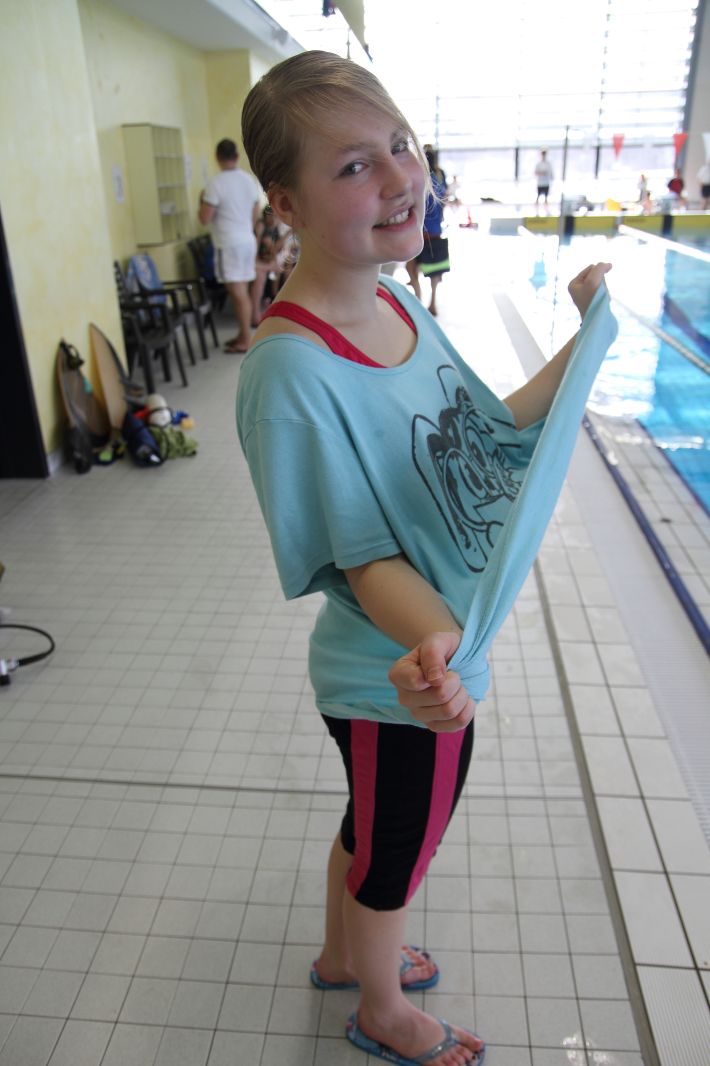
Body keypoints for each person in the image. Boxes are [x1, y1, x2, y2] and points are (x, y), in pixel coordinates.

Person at [237, 50, 610, 1066]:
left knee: (370, 822)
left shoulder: (396, 304)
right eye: (354, 166)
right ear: (285, 204)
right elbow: (360, 559)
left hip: (421, 657)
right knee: (396, 850)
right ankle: (380, 1008)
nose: (402, 177)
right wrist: (437, 646)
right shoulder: (293, 371)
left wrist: (586, 340)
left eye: (399, 144)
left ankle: (339, 955)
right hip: (394, 677)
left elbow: (484, 431)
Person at [198, 138, 260, 353]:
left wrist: (201, 200)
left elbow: (204, 218)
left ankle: (246, 339)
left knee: (237, 292)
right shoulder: (248, 180)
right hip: (247, 240)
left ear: (217, 157)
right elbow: (255, 210)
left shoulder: (215, 184)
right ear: (237, 156)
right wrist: (247, 228)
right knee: (243, 289)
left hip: (228, 243)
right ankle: (243, 334)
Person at [406, 146, 448, 315]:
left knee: (411, 267)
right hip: (435, 229)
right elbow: (444, 200)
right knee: (434, 271)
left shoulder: (420, 176)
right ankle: (433, 302)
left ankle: (418, 298)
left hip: (419, 229)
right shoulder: (440, 176)